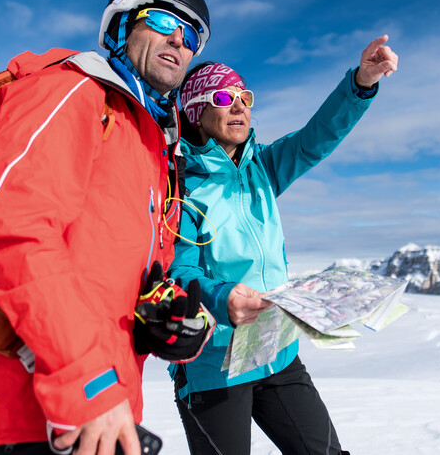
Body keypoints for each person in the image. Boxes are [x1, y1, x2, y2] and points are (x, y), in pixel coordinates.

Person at [0, 0, 213, 455]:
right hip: (27, 415)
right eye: (162, 19)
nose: (180, 39)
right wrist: (89, 383)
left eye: (192, 34)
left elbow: (123, 273)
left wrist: (166, 322)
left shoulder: (154, 148)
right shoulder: (71, 91)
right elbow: (11, 233)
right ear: (120, 26)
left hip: (106, 413)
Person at [168, 36, 399, 454]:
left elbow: (315, 139)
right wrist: (223, 299)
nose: (239, 106)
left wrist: (361, 83)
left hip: (276, 352)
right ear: (198, 113)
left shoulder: (263, 168)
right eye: (224, 97)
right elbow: (177, 274)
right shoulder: (180, 186)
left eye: (245, 96)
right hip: (213, 366)